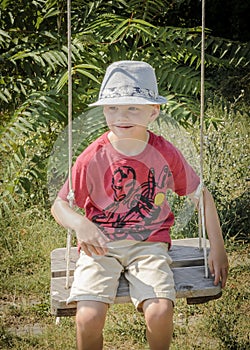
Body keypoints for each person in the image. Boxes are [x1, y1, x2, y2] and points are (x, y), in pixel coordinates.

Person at [51, 60, 229, 350]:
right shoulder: (93, 156)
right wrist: (80, 224)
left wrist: (218, 248)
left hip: (149, 246)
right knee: (87, 317)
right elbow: (60, 206)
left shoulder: (164, 153)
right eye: (113, 107)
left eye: (133, 107)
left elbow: (202, 195)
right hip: (100, 246)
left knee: (160, 312)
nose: (121, 115)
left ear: (153, 111)